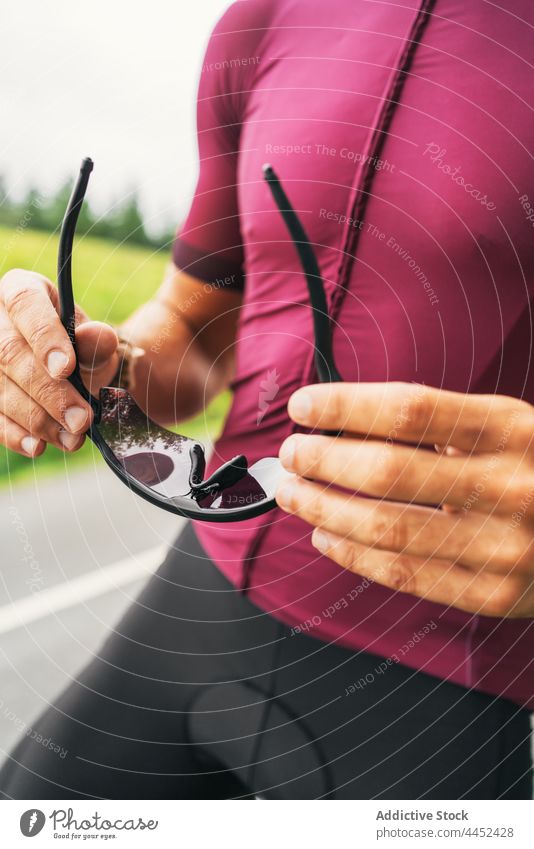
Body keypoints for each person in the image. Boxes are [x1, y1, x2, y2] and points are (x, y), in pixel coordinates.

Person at [1, 0, 533, 799]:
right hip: (202, 591)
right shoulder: (267, 18)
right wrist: (94, 368)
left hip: (458, 670)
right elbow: (195, 332)